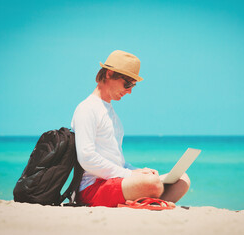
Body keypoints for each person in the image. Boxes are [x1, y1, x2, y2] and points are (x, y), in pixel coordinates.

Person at [71, 50, 190, 207]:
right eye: (127, 84)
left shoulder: (112, 114)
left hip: (117, 180)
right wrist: (131, 175)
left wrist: (139, 170)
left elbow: (117, 161)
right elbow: (87, 158)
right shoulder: (87, 108)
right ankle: (147, 201)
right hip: (92, 188)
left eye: (133, 85)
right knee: (152, 184)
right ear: (109, 74)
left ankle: (146, 201)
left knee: (182, 180)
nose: (130, 90)